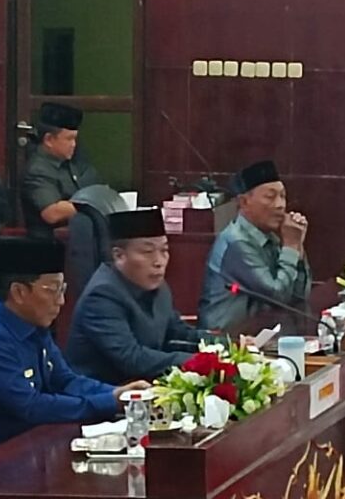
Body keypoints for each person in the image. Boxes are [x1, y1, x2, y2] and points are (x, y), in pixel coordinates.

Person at [0, 237, 149, 457]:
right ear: (19, 292)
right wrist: (109, 402)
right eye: (52, 290)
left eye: (62, 289)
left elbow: (64, 380)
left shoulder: (33, 324)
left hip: (32, 446)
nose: (61, 301)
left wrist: (118, 394)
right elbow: (31, 407)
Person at [66, 208, 209, 382]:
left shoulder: (159, 287)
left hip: (145, 386)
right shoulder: (102, 295)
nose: (159, 261)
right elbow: (132, 358)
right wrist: (199, 362)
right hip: (103, 392)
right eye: (148, 252)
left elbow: (178, 332)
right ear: (119, 255)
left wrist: (223, 344)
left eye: (164, 250)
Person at [198, 159, 312, 331]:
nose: (280, 205)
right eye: (270, 197)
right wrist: (290, 245)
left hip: (258, 334)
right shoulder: (236, 242)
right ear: (244, 202)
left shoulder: (270, 238)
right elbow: (277, 296)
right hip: (225, 338)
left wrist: (298, 247)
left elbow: (298, 297)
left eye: (282, 196)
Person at [21, 102, 104, 236]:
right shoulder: (38, 170)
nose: (73, 145)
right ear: (49, 139)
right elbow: (52, 213)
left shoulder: (75, 162)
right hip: (50, 243)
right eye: (69, 139)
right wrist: (95, 205)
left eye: (75, 139)